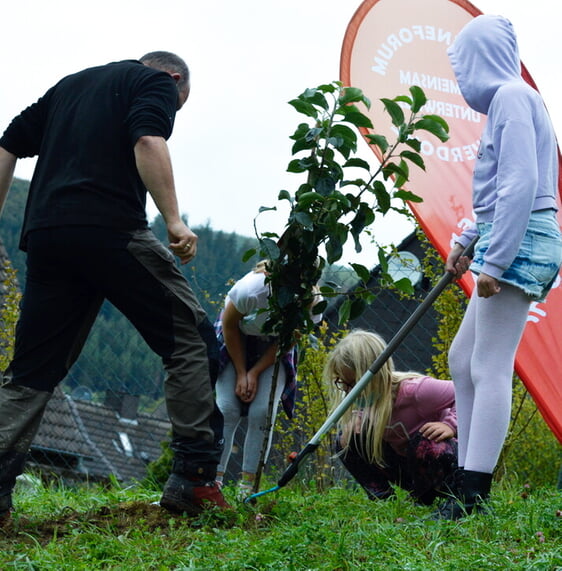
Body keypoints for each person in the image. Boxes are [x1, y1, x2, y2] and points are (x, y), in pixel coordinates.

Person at [0, 51, 231, 522]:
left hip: (46, 236)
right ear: (173, 79)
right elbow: (148, 138)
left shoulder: (70, 84)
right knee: (193, 340)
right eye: (177, 105)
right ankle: (193, 480)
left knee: (31, 371)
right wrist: (173, 221)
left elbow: (7, 144)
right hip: (109, 230)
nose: (172, 110)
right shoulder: (157, 83)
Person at [438, 15, 562, 519]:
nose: (461, 80)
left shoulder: (513, 96)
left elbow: (519, 183)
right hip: (508, 235)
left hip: (523, 239)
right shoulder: (509, 105)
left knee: (488, 364)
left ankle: (473, 491)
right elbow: (496, 196)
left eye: (461, 67)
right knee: (461, 358)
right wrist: (469, 239)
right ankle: (464, 475)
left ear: (479, 59)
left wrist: (498, 259)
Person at [214, 261, 322, 496]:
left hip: (274, 348)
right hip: (236, 339)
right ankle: (213, 482)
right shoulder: (251, 290)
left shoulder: (312, 302)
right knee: (227, 409)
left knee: (263, 410)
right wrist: (242, 372)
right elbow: (229, 325)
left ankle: (248, 488)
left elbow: (289, 339)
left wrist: (255, 373)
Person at [325, 329, 458, 506]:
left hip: (442, 466)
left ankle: (428, 499)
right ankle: (383, 499)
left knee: (424, 441)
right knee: (347, 438)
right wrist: (358, 418)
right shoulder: (368, 401)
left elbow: (469, 394)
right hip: (409, 469)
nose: (350, 392)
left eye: (354, 384)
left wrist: (450, 424)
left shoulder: (416, 392)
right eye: (343, 383)